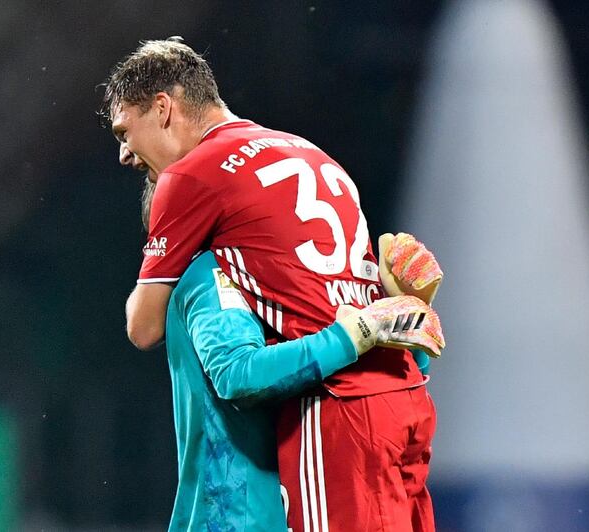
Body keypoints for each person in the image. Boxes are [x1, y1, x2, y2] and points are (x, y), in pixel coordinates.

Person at [101, 37, 444, 531]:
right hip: (404, 395)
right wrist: (403, 305)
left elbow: (144, 327)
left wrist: (358, 332)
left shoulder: (192, 178)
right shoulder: (314, 156)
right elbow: (354, 307)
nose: (124, 154)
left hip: (335, 408)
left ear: (162, 108)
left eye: (124, 132)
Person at [163, 250, 441, 530]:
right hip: (239, 517)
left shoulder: (303, 261)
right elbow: (236, 375)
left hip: (319, 498)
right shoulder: (215, 272)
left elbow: (396, 387)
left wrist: (403, 322)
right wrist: (354, 334)